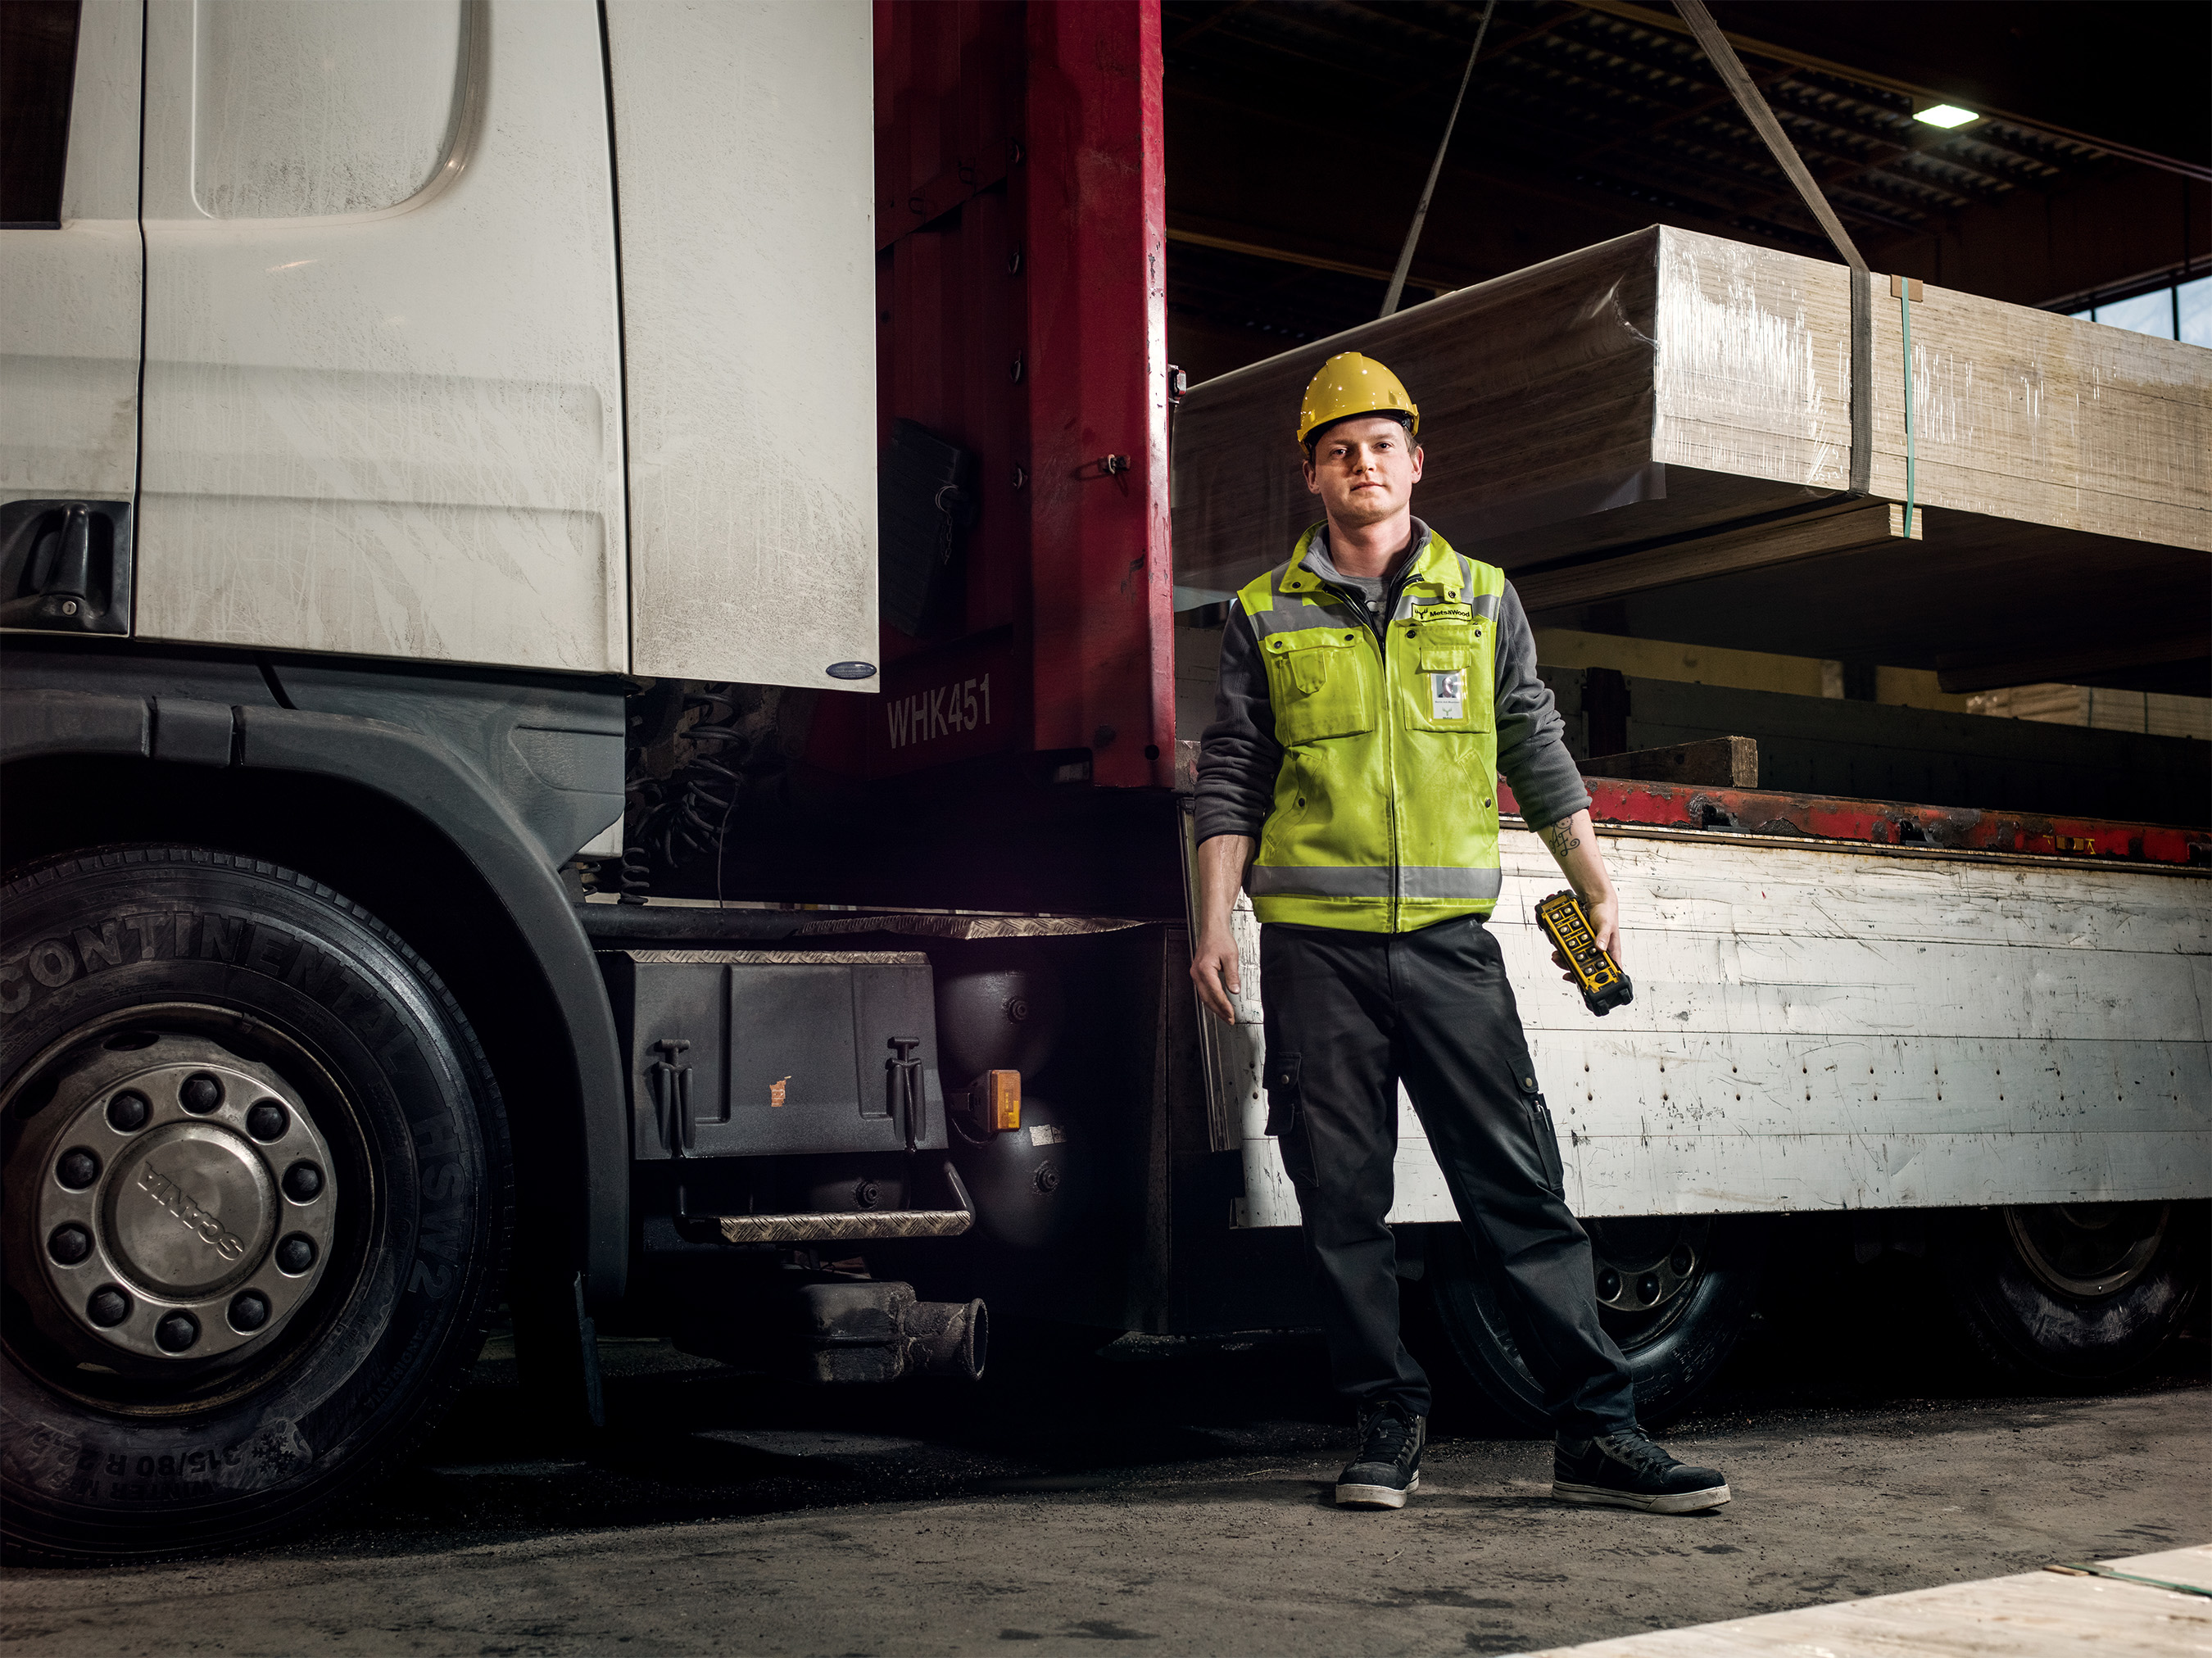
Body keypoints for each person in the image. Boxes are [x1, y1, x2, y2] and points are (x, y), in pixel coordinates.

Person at [1189, 351, 1729, 1515]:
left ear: (1416, 463)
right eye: (1340, 450)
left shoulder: (1482, 598)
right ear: (1312, 475)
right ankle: (1386, 1423)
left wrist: (1594, 878)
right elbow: (1232, 769)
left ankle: (1598, 1433)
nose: (1363, 464)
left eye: (1382, 446)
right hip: (1317, 952)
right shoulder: (1262, 612)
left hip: (1449, 948)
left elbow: (1531, 737)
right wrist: (1213, 921)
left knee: (1518, 1191)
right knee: (1342, 1203)